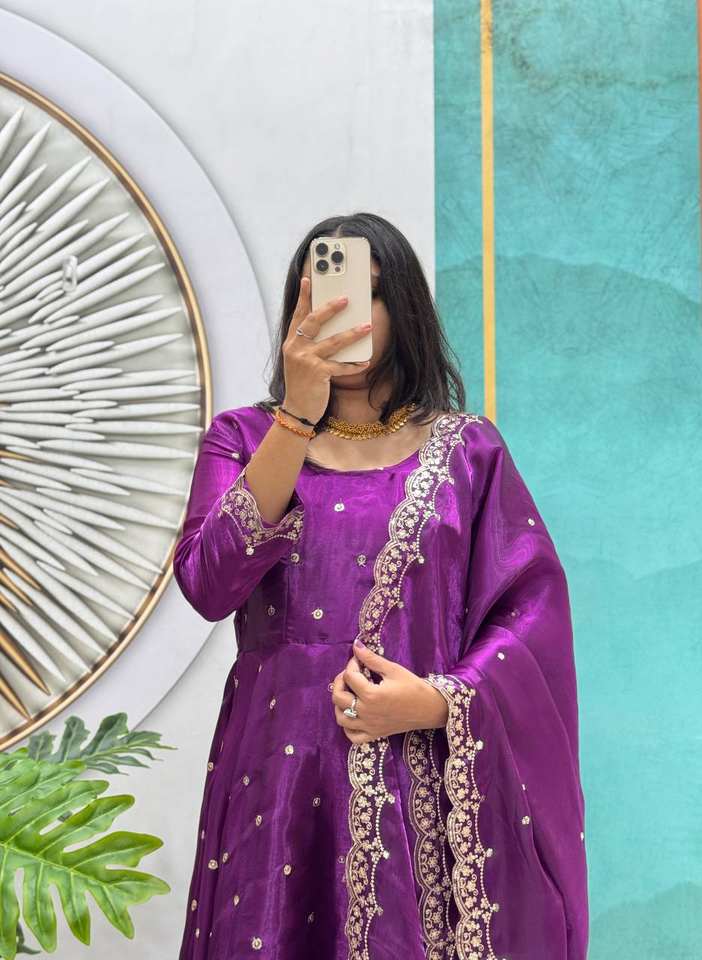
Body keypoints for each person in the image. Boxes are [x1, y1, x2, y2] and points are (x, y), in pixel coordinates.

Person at [174, 212, 589, 960]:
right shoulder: (244, 439)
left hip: (413, 782)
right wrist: (295, 419)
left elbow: (529, 615)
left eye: (366, 295)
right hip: (276, 782)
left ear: (403, 305)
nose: (342, 313)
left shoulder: (468, 452)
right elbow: (208, 584)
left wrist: (437, 702)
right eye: (321, 294)